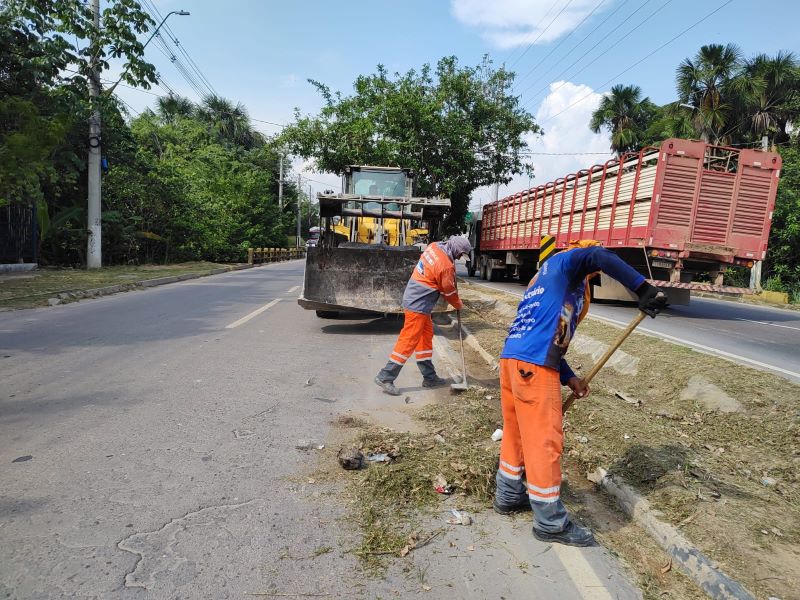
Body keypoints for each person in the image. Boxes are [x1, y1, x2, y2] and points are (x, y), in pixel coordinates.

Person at [493, 240, 667, 546]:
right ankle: (550, 523)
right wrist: (643, 289)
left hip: (513, 360)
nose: (595, 275)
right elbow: (600, 255)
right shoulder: (568, 262)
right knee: (544, 441)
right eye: (594, 272)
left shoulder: (543, 280)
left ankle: (508, 494)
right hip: (534, 366)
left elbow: (549, 333)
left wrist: (570, 377)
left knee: (517, 433)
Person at [375, 236, 473, 396]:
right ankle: (386, 376)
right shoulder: (445, 265)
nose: (460, 257)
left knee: (425, 336)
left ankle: (429, 377)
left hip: (416, 299)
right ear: (455, 249)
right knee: (408, 340)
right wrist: (458, 304)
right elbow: (448, 291)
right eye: (460, 254)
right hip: (418, 304)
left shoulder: (435, 247)